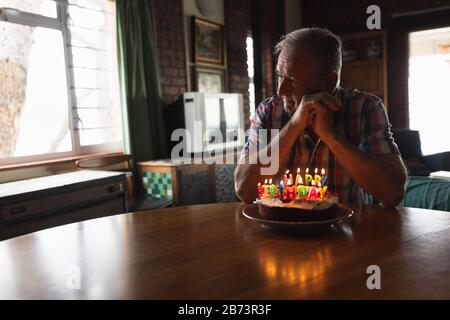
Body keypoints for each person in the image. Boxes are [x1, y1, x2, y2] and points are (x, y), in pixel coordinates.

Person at [234, 28, 406, 207]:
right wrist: (294, 126)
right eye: (280, 76)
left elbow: (393, 192)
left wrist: (330, 135)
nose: (281, 90)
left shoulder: (364, 109)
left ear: (330, 82)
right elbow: (244, 190)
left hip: (344, 230)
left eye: (292, 79)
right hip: (277, 228)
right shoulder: (268, 111)